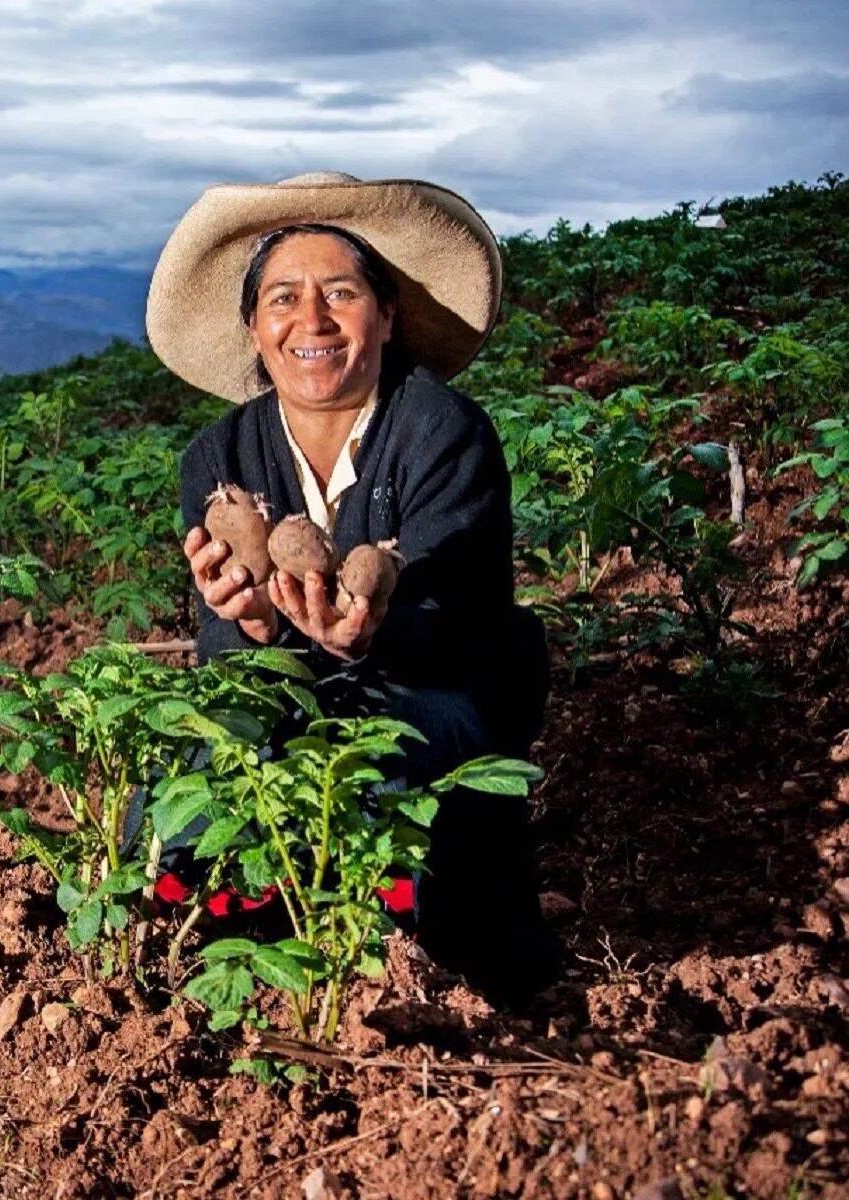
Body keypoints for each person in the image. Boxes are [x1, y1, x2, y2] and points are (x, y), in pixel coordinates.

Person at [144, 172, 559, 1002]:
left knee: (392, 771)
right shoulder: (216, 460)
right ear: (254, 328)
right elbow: (225, 656)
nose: (313, 320)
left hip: (439, 686)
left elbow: (466, 616)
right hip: (290, 695)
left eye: (341, 293)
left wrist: (369, 631)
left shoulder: (446, 432)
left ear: (389, 313)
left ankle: (430, 977)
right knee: (183, 801)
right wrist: (258, 626)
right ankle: (221, 972)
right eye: (284, 298)